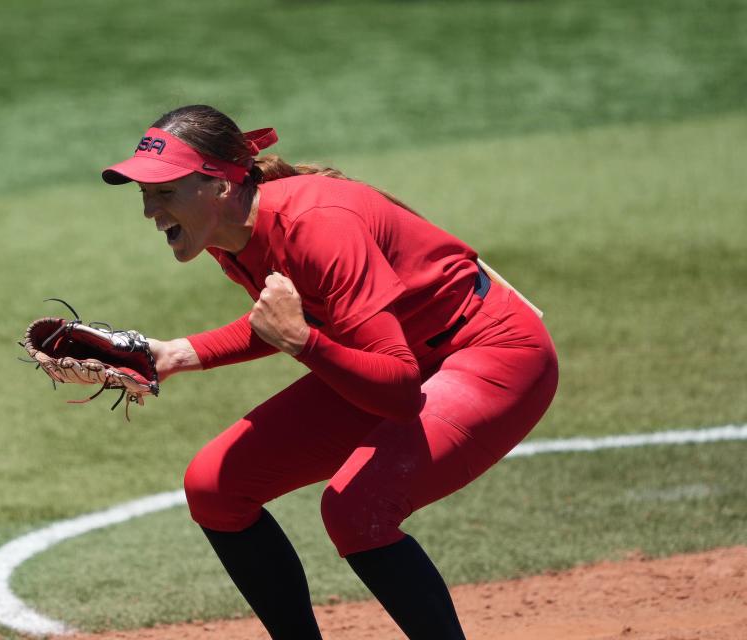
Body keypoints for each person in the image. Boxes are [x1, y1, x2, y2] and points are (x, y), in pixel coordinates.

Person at [99, 104, 559, 639]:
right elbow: (295, 315)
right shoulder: (229, 232)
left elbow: (397, 394)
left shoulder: (315, 225)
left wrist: (304, 343)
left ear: (219, 186)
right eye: (146, 194)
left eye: (166, 192)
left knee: (357, 509)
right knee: (215, 486)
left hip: (489, 349)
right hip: (393, 353)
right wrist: (177, 354)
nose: (151, 211)